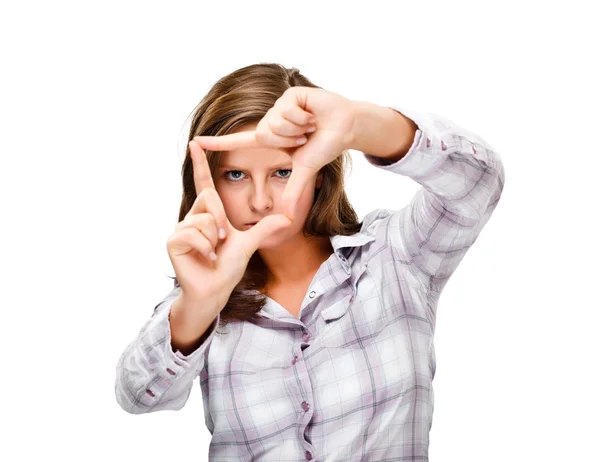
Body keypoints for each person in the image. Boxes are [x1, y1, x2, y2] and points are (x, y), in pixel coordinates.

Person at [115, 63, 505, 461]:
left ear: (318, 170)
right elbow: (137, 395)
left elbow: (479, 182)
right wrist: (199, 305)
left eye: (282, 171)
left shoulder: (395, 256)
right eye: (236, 174)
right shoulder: (203, 294)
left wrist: (358, 124)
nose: (260, 200)